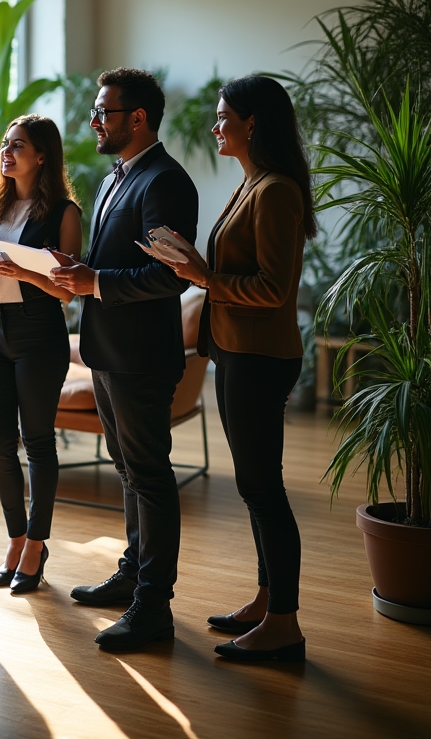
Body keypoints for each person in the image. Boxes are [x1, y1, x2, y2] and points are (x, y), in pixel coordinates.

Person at [148, 75, 315, 664]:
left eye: (225, 118)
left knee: (263, 489)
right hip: (239, 351)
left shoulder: (276, 192)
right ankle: (269, 600)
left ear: (254, 124)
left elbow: (275, 290)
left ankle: (285, 625)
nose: (215, 126)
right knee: (256, 486)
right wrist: (196, 266)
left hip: (261, 356)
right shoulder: (252, 184)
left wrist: (204, 278)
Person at [51, 68, 198, 652]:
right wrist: (75, 271)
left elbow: (167, 277)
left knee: (151, 476)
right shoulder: (118, 177)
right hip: (109, 353)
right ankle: (133, 573)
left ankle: (153, 607)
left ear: (137, 118)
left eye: (103, 112)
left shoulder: (166, 181)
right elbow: (109, 261)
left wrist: (94, 282)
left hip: (140, 358)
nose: (93, 122)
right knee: (130, 471)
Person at [0, 115, 82, 594]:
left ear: (42, 156)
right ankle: (15, 539)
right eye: (5, 144)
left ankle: (37, 544)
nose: (7, 152)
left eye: (19, 145)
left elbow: (67, 292)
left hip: (40, 334)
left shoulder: (64, 213)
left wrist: (22, 270)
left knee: (37, 442)